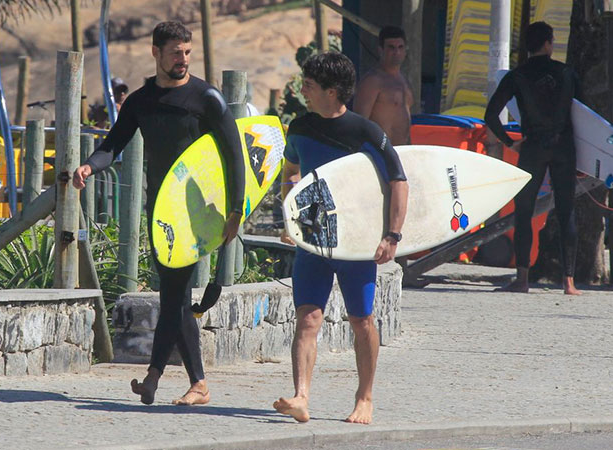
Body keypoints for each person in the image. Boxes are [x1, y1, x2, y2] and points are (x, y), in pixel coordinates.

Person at [73, 21, 245, 405]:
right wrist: (89, 166)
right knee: (174, 295)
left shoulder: (208, 98)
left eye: (186, 52)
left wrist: (235, 210)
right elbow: (113, 144)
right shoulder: (140, 101)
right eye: (174, 53)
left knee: (174, 290)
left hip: (199, 210)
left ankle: (168, 378)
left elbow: (235, 156)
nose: (182, 60)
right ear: (156, 53)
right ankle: (176, 380)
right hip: (162, 210)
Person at [274, 52, 409, 424]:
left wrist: (392, 236)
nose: (303, 90)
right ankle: (302, 397)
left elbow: (399, 181)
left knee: (361, 319)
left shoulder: (364, 132)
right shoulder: (299, 127)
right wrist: (292, 218)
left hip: (355, 240)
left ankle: (364, 397)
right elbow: (292, 172)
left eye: (311, 85)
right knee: (307, 319)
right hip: (315, 240)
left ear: (333, 92)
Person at [484, 21, 581, 296]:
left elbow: (491, 114)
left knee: (524, 212)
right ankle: (569, 282)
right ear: (549, 44)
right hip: (564, 147)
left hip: (532, 148)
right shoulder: (567, 73)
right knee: (566, 212)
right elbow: (585, 117)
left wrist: (510, 142)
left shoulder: (517, 76)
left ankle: (523, 279)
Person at [353, 26, 413, 146]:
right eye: (391, 47)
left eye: (400, 47)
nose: (397, 52)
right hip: (379, 154)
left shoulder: (404, 81)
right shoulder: (373, 81)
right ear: (381, 50)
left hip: (403, 153)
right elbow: (359, 123)